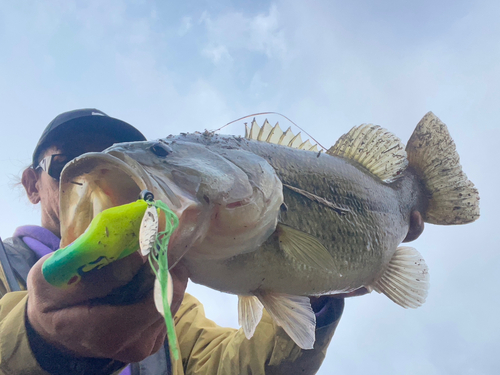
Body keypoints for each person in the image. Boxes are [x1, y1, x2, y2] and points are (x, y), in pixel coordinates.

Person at [0, 109, 355, 375]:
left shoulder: (168, 293)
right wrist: (37, 340)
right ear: (32, 184)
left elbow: (238, 365)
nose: (102, 178)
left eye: (119, 164)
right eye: (67, 163)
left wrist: (311, 284)